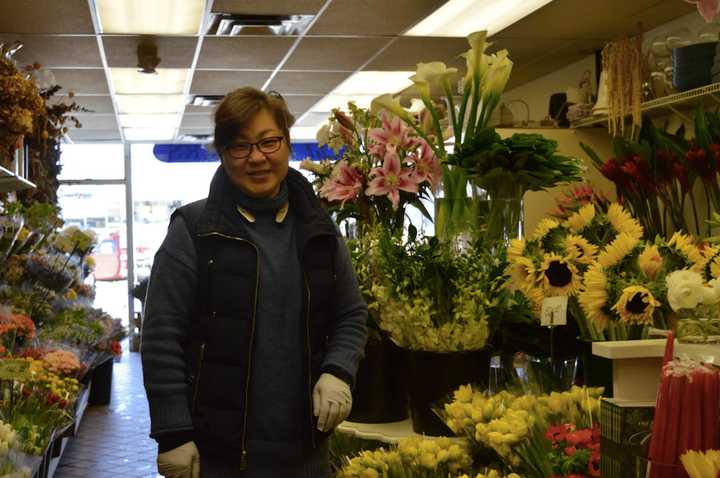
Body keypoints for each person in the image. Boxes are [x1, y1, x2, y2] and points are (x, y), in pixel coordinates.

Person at [141, 87, 368, 478]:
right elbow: (162, 335)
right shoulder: (194, 231)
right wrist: (172, 432)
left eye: (268, 142)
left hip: (305, 452)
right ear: (223, 153)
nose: (257, 157)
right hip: (218, 455)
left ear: (286, 142)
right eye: (240, 146)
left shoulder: (319, 231)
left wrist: (338, 371)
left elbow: (350, 313)